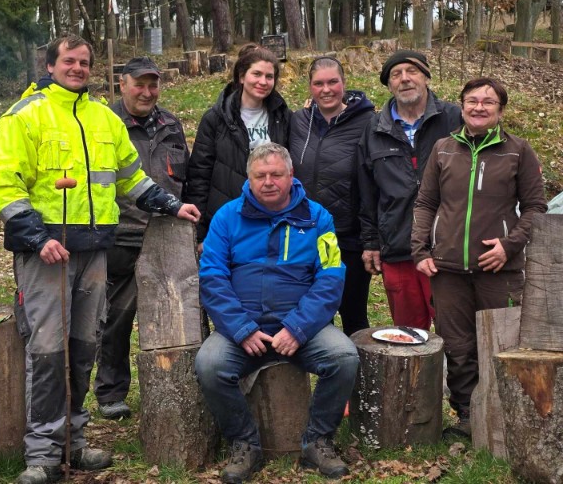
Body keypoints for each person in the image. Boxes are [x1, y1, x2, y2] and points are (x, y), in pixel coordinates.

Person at [0, 35, 200, 484]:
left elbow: (131, 178)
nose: (78, 68)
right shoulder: (24, 116)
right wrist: (36, 238)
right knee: (48, 351)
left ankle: (74, 440)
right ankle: (43, 454)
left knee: (84, 348)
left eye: (84, 62)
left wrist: (171, 205)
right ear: (50, 65)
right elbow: (5, 186)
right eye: (70, 61)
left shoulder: (103, 118)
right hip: (47, 252)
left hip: (95, 250)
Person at [195, 143, 359, 482]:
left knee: (343, 357)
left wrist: (298, 328)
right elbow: (212, 277)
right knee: (210, 365)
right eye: (260, 176)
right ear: (249, 178)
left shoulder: (318, 218)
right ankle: (245, 444)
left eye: (276, 174)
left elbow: (331, 277)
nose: (268, 182)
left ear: (291, 175)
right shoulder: (226, 217)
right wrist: (241, 328)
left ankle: (318, 442)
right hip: (243, 329)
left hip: (303, 328)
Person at [412, 77, 547, 437]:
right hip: (448, 269)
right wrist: (420, 250)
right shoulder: (443, 149)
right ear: (461, 106)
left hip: (499, 269)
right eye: (472, 101)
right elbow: (425, 203)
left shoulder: (518, 151)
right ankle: (467, 417)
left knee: (503, 344)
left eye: (488, 102)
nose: (479, 107)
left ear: (501, 111)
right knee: (457, 346)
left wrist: (509, 245)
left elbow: (535, 207)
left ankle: (507, 418)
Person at [94, 57, 189, 420]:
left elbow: (186, 175)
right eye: (140, 85)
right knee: (117, 319)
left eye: (153, 85)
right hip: (123, 234)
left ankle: (175, 390)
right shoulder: (106, 122)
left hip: (168, 234)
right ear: (123, 84)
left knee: (174, 313)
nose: (147, 92)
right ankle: (111, 392)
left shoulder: (170, 124)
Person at [358, 50, 462, 330]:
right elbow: (366, 192)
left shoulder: (455, 119)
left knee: (455, 333)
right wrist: (370, 242)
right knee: (409, 336)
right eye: (396, 74)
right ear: (389, 85)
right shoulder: (374, 129)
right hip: (398, 246)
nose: (404, 79)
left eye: (412, 71)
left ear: (426, 77)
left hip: (448, 247)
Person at [289, 56, 375, 335]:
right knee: (312, 316)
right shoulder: (298, 121)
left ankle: (357, 364)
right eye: (318, 84)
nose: (326, 90)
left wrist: (371, 239)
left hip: (347, 238)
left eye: (332, 82)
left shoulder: (368, 122)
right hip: (304, 236)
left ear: (344, 84)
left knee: (354, 316)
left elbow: (373, 183)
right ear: (309, 87)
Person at [186, 44, 289, 246]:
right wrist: (199, 234)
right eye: (256, 74)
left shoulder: (283, 117)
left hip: (271, 220)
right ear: (242, 77)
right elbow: (199, 176)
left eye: (269, 76)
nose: (263, 81)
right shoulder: (216, 119)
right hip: (225, 222)